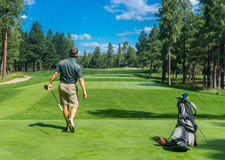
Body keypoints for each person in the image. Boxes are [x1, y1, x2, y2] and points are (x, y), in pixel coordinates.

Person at [48, 47, 87, 133]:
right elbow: (80, 79)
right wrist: (84, 91)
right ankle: (71, 120)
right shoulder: (78, 66)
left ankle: (68, 124)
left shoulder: (61, 62)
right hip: (71, 86)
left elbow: (55, 73)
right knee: (75, 105)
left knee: (65, 106)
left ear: (69, 54)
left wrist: (50, 83)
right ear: (77, 55)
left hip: (61, 85)